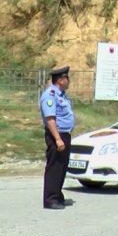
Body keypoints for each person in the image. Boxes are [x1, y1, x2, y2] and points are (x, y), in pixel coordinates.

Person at [40, 66, 76, 210]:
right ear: (61, 80)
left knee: (62, 167)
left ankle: (57, 195)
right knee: (54, 167)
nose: (69, 81)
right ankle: (50, 199)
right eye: (67, 78)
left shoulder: (61, 95)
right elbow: (50, 119)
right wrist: (58, 139)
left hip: (64, 134)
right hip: (57, 135)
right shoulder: (50, 95)